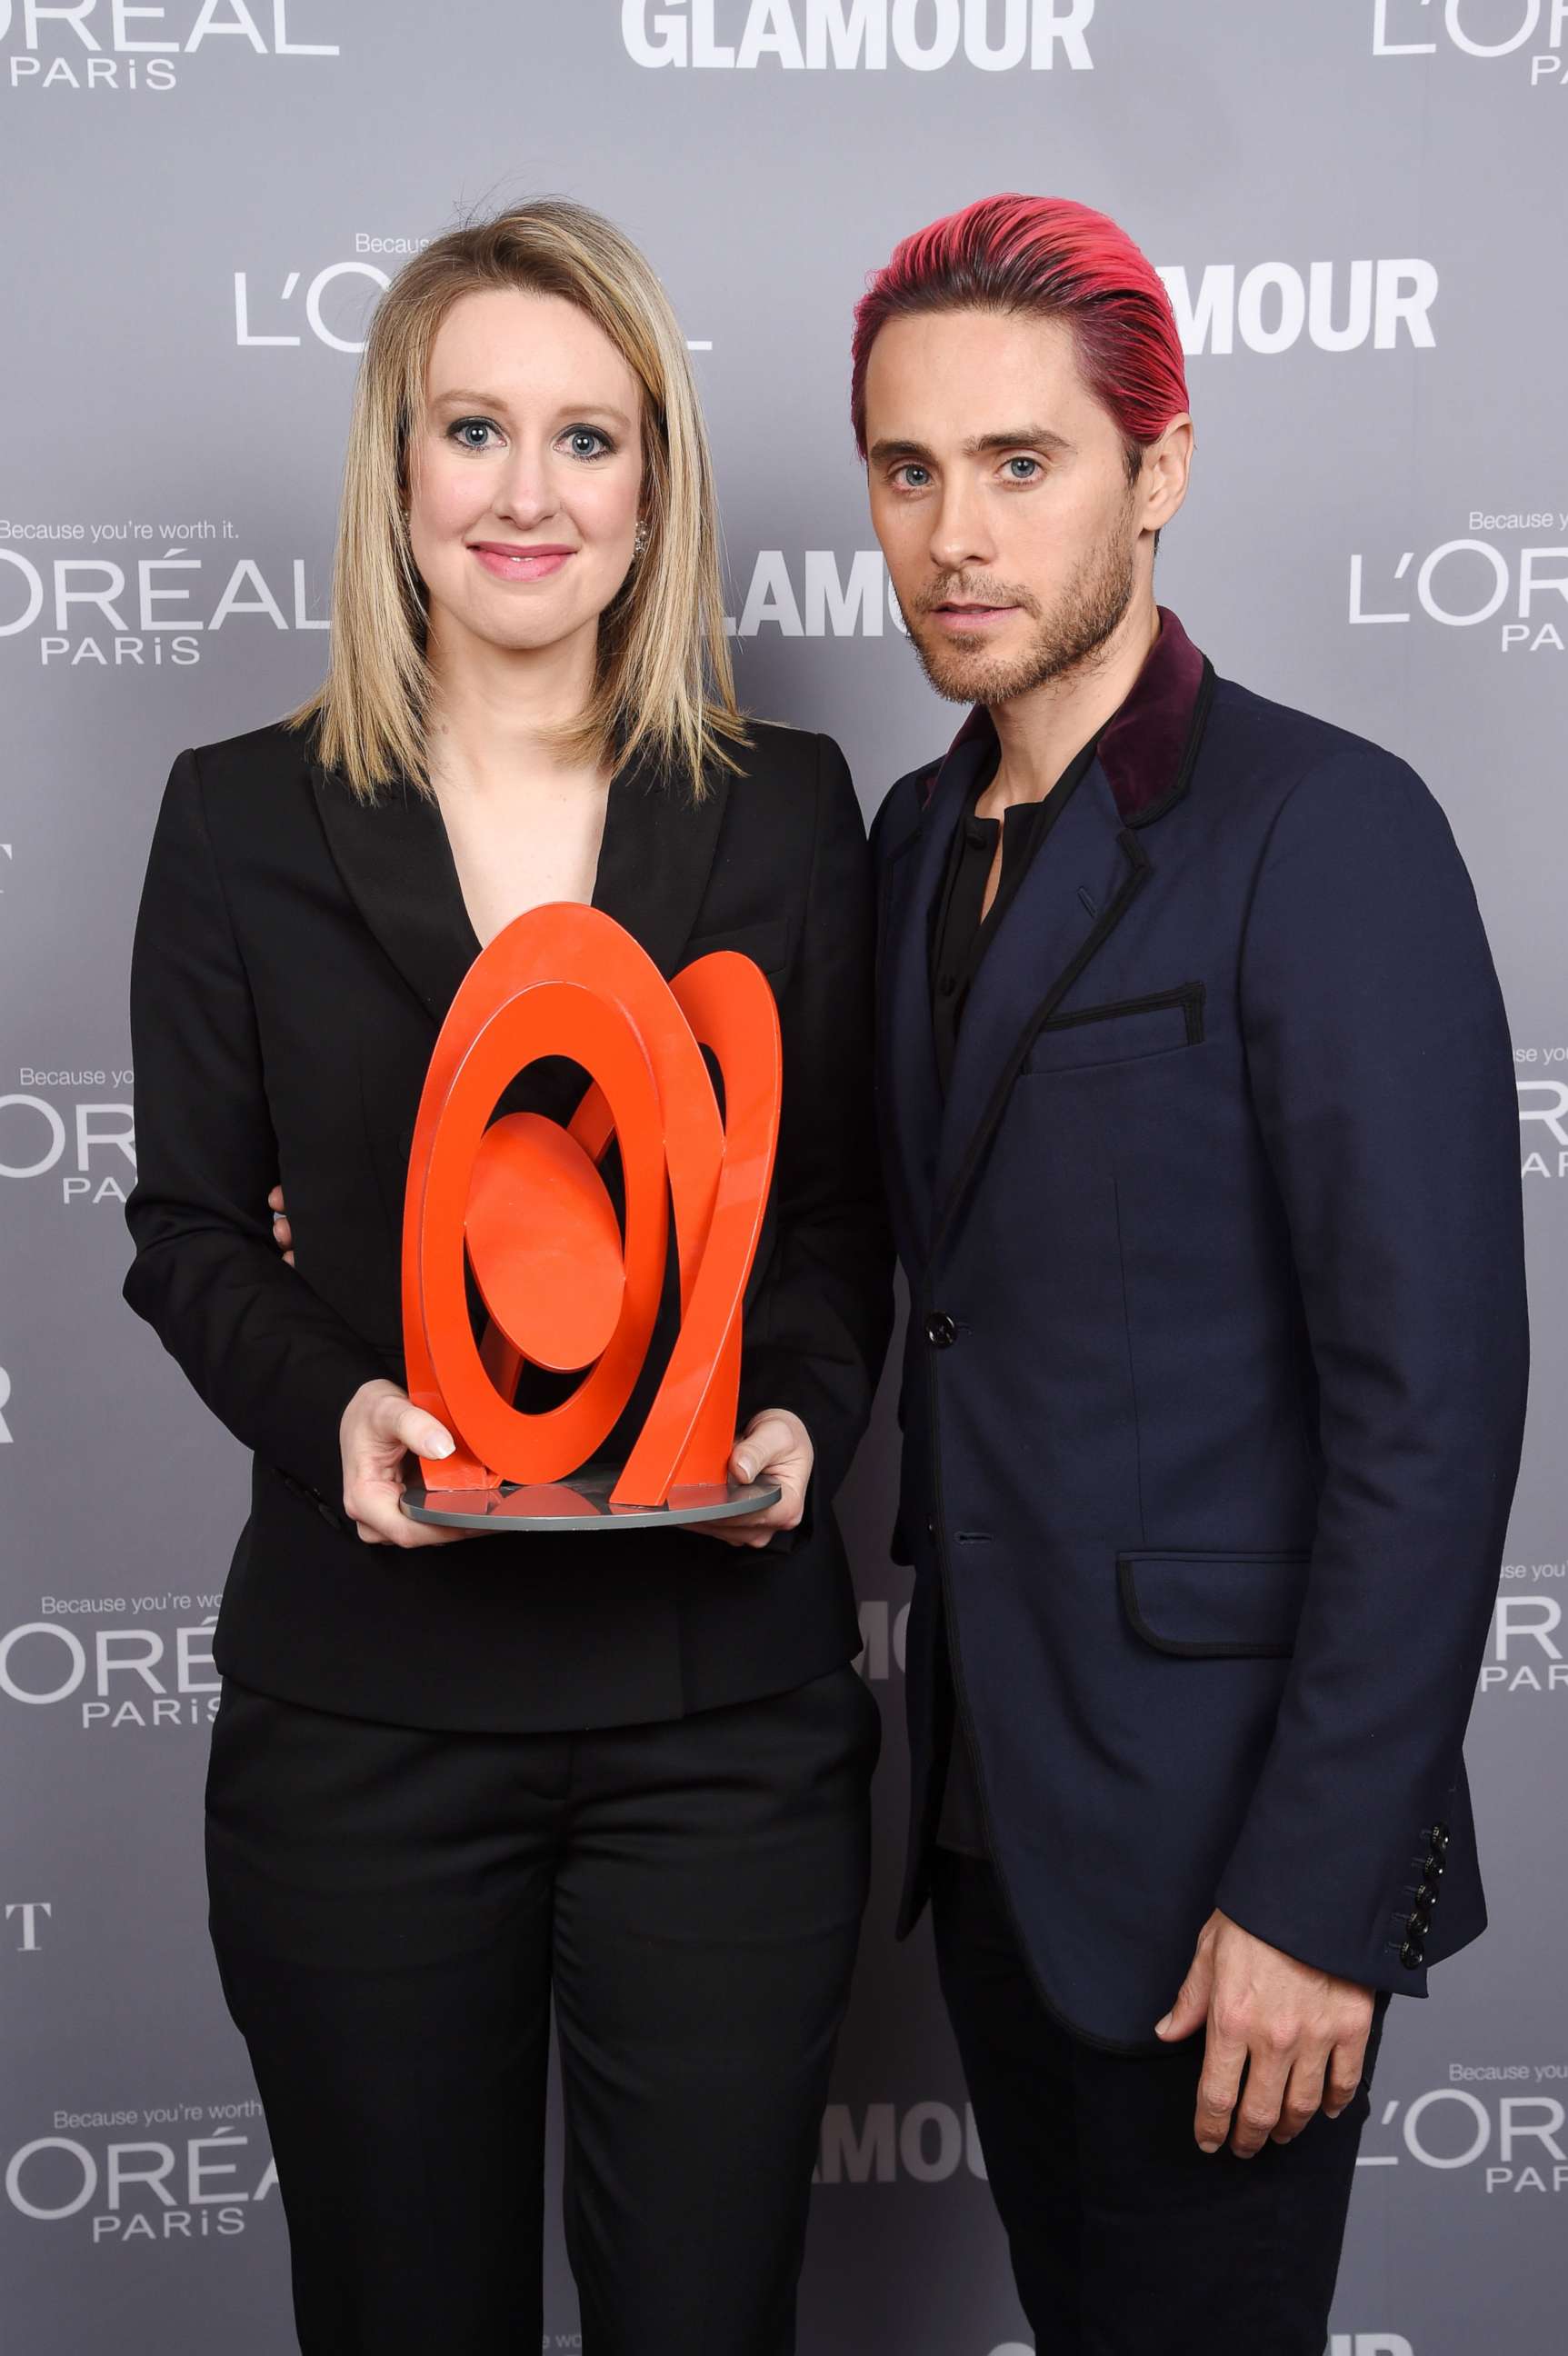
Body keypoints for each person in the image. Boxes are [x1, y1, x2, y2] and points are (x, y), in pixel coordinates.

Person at [123, 198, 891, 2356]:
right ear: (397, 473)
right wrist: (334, 1405)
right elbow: (186, 1233)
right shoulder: (240, 821)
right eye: (475, 430)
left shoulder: (783, 808)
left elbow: (833, 1216)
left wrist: (803, 1420)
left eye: (587, 438)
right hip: (364, 1725)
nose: (527, 494)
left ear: (655, 492)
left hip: (719, 1730)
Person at [856, 194, 1529, 2354]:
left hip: (1227, 1866)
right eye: (906, 469)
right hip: (980, 1832)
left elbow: (1429, 1407)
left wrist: (1317, 1905)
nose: (955, 533)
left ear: (1155, 472)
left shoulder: (1325, 829)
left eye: (1019, 463)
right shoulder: (900, 841)